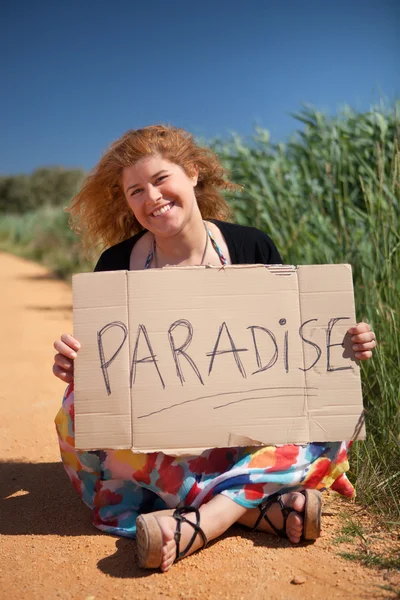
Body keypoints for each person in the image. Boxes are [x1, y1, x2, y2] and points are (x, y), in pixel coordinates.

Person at [53, 125, 376, 572]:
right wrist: (77, 367)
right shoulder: (115, 265)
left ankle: (197, 522)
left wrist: (345, 345)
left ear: (193, 174)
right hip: (159, 442)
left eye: (161, 179)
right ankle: (252, 507)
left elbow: (295, 355)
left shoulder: (251, 246)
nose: (152, 198)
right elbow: (107, 373)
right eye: (136, 191)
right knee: (76, 410)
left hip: (241, 433)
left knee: (327, 424)